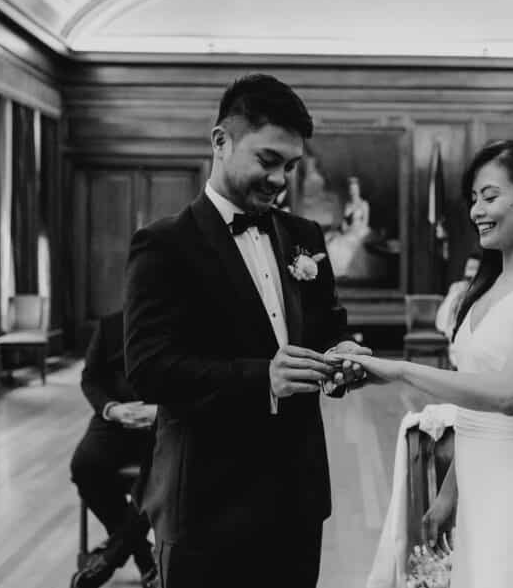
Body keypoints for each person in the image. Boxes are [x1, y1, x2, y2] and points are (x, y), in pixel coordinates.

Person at [123, 74, 370, 588]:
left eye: (291, 166)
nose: (281, 179)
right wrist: (264, 378)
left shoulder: (304, 237)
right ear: (221, 141)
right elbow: (149, 370)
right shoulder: (164, 245)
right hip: (206, 506)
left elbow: (327, 325)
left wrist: (343, 356)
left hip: (297, 497)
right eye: (267, 160)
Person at [340, 138, 513, 587]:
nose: (476, 210)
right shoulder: (485, 290)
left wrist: (398, 368)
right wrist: (449, 494)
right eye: (473, 198)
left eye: (490, 196)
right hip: (479, 486)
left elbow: (509, 395)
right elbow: (475, 408)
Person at [69, 312, 157, 588]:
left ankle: (109, 559)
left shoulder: (181, 321)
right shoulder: (109, 325)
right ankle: (143, 557)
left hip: (164, 422)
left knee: (157, 478)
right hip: (116, 419)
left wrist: (159, 412)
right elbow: (90, 378)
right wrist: (113, 409)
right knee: (84, 466)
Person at [435, 253, 481, 338]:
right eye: (469, 268)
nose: (471, 272)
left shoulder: (481, 290)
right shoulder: (456, 287)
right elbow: (447, 310)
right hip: (450, 326)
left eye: (475, 269)